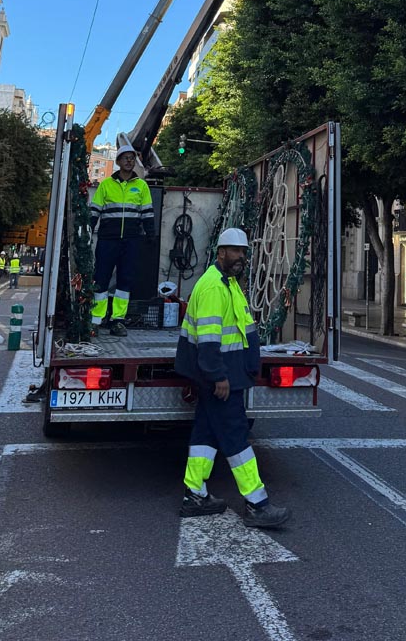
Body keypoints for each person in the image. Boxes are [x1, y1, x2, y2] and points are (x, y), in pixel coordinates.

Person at [175, 228, 290, 530]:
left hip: (226, 373)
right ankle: (257, 504)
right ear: (221, 253)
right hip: (221, 376)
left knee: (206, 434)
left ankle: (194, 495)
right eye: (235, 251)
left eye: (243, 252)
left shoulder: (229, 283)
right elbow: (209, 341)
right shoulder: (215, 287)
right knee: (236, 437)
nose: (241, 257)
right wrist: (218, 377)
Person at [88, 144, 155, 337]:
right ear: (118, 161)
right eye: (125, 158)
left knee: (125, 281)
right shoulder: (106, 185)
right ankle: (96, 320)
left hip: (131, 241)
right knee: (101, 278)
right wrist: (88, 231)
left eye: (132, 158)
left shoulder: (141, 186)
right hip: (108, 240)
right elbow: (95, 211)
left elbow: (148, 213)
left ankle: (118, 321)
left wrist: (150, 234)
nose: (129, 161)